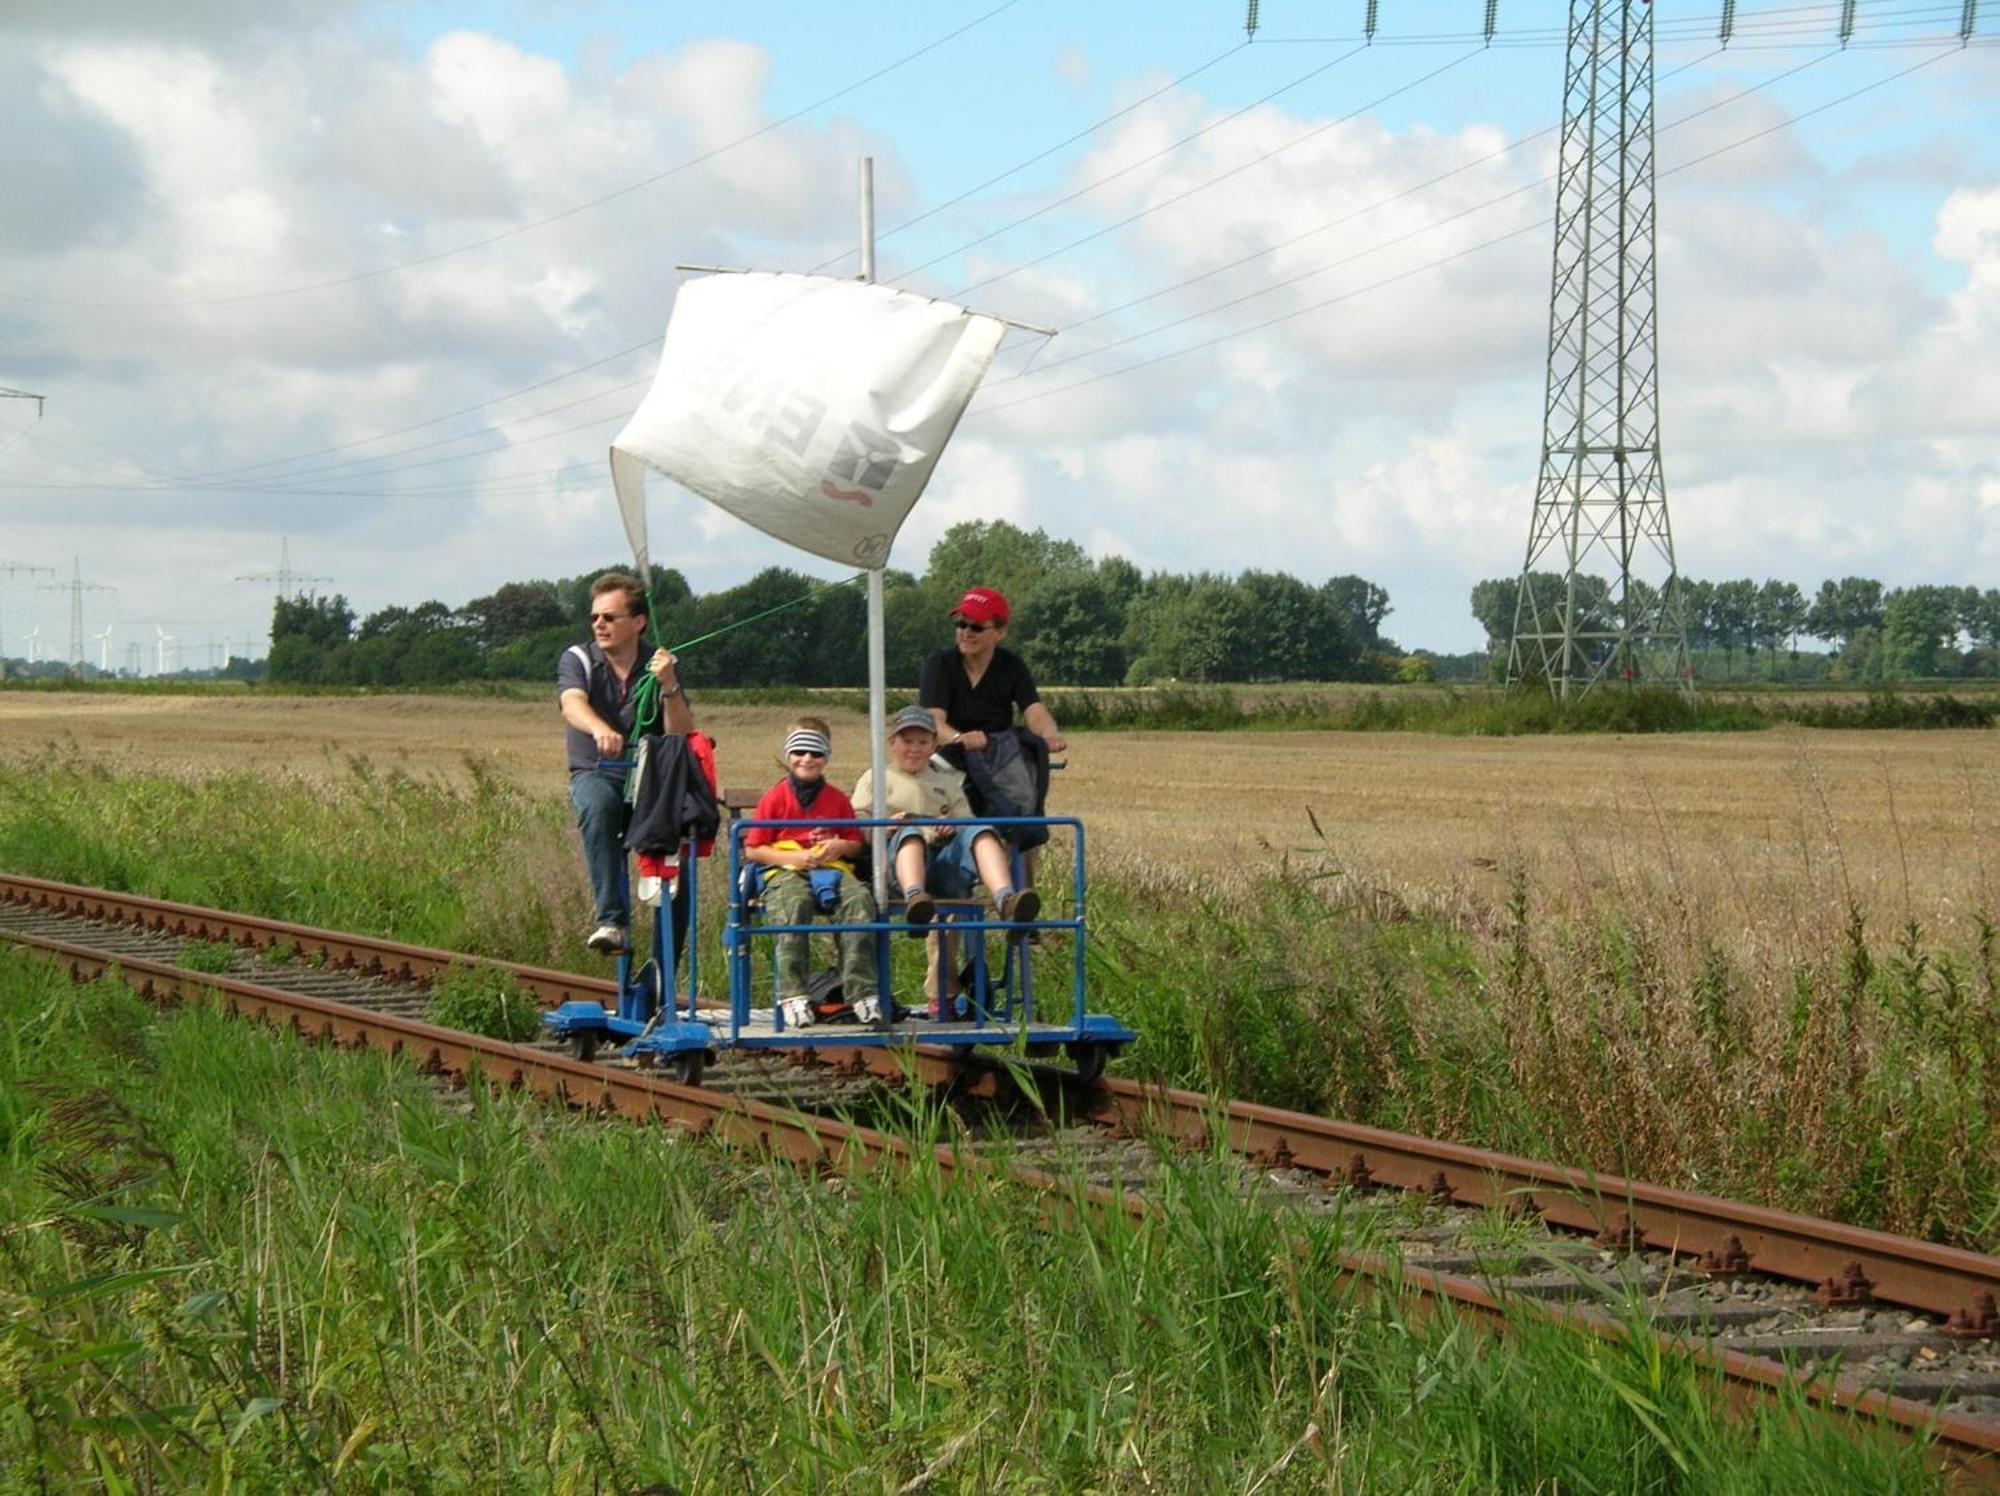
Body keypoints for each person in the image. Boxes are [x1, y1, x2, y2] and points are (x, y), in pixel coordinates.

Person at [557, 572, 692, 953]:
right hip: (597, 771)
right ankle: (612, 922)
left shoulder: (660, 663)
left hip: (648, 780)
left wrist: (669, 685)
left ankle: (665, 956)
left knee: (677, 839)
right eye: (595, 617)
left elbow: (679, 731)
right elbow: (572, 704)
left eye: (609, 617)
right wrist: (600, 729)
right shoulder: (579, 659)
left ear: (638, 622)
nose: (599, 624)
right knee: (599, 807)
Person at [851, 705, 1040, 937]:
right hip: (895, 870)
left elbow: (966, 821)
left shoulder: (948, 783)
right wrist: (883, 827)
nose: (914, 749)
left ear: (933, 746)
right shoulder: (876, 778)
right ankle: (915, 900)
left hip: (944, 866)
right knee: (910, 834)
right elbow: (857, 821)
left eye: (922, 743)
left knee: (982, 831)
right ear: (893, 744)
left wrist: (952, 825)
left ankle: (1006, 900)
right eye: (907, 742)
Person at [741, 717, 882, 1028]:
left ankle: (862, 992)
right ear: (789, 757)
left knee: (859, 901)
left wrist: (838, 846)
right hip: (786, 870)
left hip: (832, 868)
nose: (807, 759)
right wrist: (793, 858)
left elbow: (856, 845)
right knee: (793, 905)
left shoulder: (836, 799)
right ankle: (793, 994)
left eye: (816, 754)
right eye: (800, 752)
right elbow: (753, 849)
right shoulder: (776, 797)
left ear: (826, 758)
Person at [918, 586, 1067, 760]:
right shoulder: (940, 664)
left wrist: (1048, 734)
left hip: (998, 760)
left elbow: (1033, 709)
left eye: (977, 628)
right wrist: (959, 739)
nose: (966, 633)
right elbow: (933, 720)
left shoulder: (1012, 666)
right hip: (946, 760)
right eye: (961, 624)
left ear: (1000, 632)